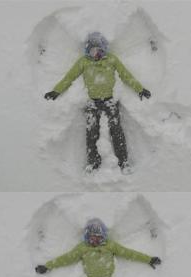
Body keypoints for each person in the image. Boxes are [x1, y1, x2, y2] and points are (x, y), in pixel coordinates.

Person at [44, 32, 152, 175]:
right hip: (93, 102)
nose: (95, 54)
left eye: (98, 50)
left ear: (104, 49)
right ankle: (93, 161)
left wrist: (140, 89)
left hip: (110, 101)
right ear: (87, 51)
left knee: (116, 129)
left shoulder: (111, 60)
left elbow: (126, 75)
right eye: (92, 51)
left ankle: (123, 161)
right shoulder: (83, 61)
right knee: (91, 130)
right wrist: (56, 91)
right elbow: (69, 77)